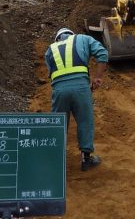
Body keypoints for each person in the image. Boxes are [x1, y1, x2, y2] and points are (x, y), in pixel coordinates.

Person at [45, 27, 108, 171]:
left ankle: (55, 163)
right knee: (85, 121)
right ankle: (86, 160)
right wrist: (97, 77)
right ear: (71, 35)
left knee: (58, 124)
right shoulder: (83, 39)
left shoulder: (50, 49)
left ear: (57, 39)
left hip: (59, 91)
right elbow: (103, 54)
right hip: (81, 88)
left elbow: (51, 73)